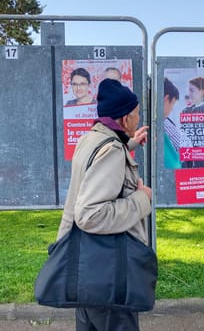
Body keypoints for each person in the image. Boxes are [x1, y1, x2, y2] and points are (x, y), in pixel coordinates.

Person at [57, 78, 152, 331]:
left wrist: (130, 143)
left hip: (88, 272)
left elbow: (98, 164)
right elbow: (90, 214)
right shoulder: (111, 150)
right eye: (136, 113)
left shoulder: (90, 139)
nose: (138, 117)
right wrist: (142, 198)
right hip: (108, 278)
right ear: (123, 119)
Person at [163, 77, 182, 168]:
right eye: (173, 103)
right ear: (166, 99)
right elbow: (181, 148)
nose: (172, 108)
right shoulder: (164, 123)